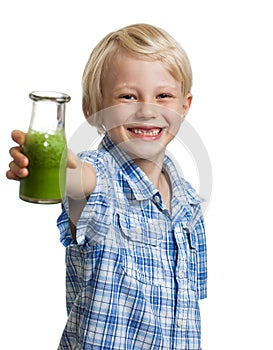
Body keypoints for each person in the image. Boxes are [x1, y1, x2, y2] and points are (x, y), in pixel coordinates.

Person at [6, 23, 207, 350]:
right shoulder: (100, 173)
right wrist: (50, 167)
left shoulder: (190, 203)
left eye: (164, 96)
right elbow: (77, 179)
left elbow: (187, 310)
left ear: (184, 107)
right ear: (95, 110)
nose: (147, 110)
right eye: (128, 96)